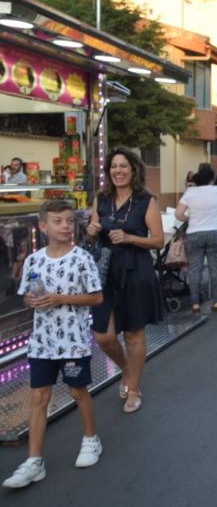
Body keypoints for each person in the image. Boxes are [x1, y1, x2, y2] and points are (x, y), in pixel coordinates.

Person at [3, 200, 103, 489]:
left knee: (77, 391)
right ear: (43, 226)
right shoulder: (33, 260)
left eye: (70, 221)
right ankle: (34, 460)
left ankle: (90, 439)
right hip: (42, 343)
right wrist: (31, 301)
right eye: (58, 221)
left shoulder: (82, 258)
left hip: (73, 342)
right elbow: (25, 297)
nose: (65, 227)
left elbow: (96, 297)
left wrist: (62, 298)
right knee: (38, 398)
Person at [86, 147, 164, 414]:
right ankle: (128, 369)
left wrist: (130, 238)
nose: (118, 171)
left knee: (133, 334)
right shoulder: (102, 199)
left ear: (133, 170)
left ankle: (134, 388)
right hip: (105, 272)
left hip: (136, 270)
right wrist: (91, 231)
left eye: (123, 166)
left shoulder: (146, 200)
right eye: (113, 167)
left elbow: (158, 240)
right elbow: (92, 238)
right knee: (103, 336)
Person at [175, 163, 217, 315]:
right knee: (216, 269)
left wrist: (189, 219)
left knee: (195, 270)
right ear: (211, 179)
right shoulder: (216, 190)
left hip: (195, 234)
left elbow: (178, 214)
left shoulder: (190, 192)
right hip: (215, 232)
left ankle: (195, 304)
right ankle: (216, 302)